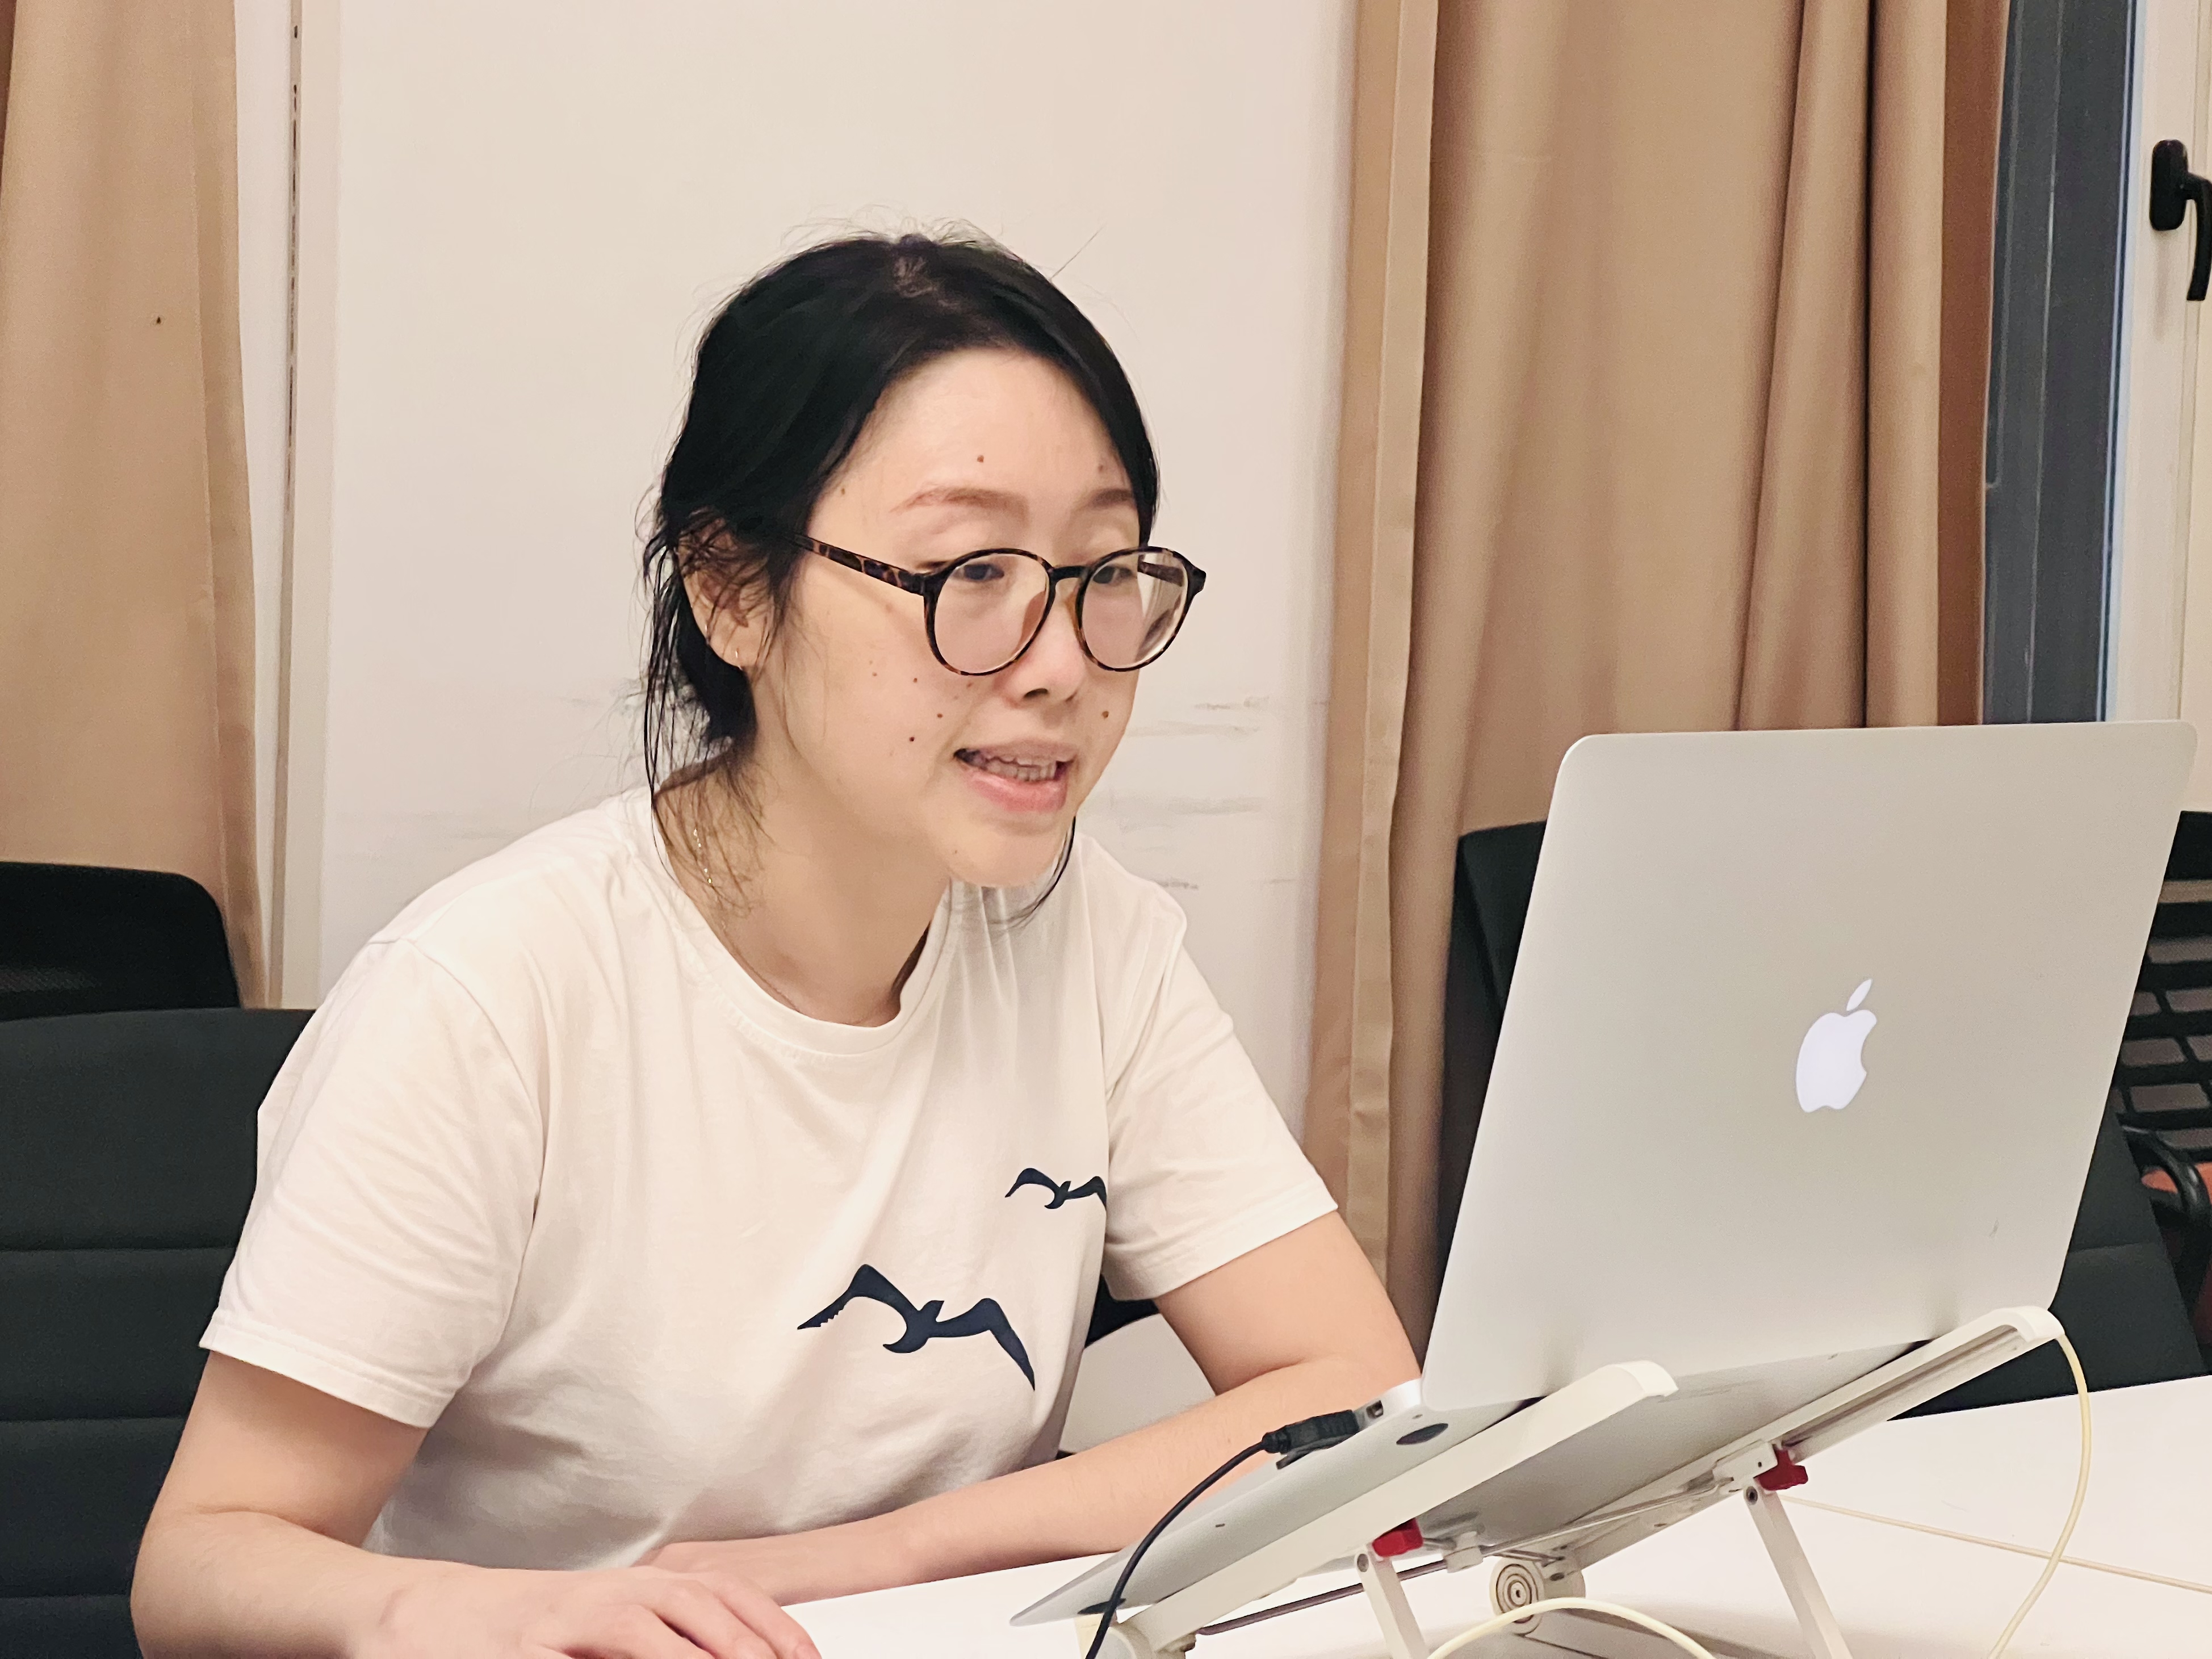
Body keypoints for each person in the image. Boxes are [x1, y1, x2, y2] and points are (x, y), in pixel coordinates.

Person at [133, 232, 1417, 1659]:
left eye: (1101, 570)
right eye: (971, 569)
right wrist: (482, 1611)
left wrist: (864, 1564)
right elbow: (200, 1566)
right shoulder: (490, 995)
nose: (1059, 662)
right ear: (733, 591)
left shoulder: (1091, 933)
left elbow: (1353, 1387)